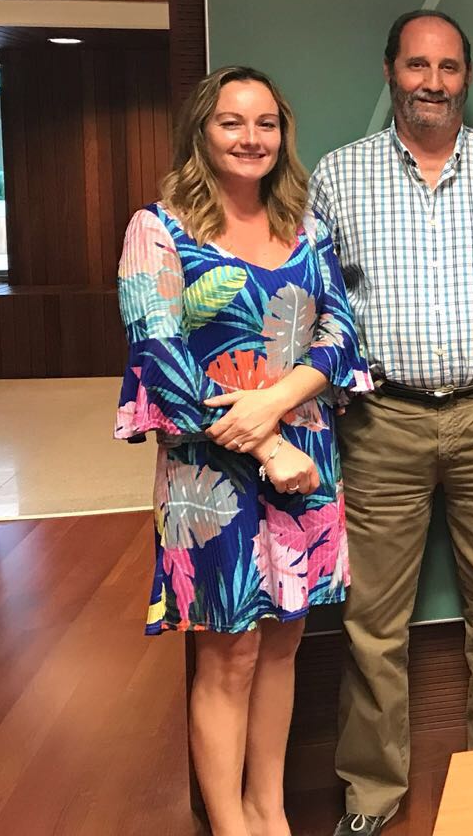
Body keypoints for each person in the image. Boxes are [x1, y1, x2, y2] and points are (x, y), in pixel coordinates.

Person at [310, 10, 473, 835]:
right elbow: (316, 304)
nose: (433, 82)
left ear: (467, 77)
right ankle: (371, 796)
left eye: (448, 67)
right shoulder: (338, 176)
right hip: (382, 421)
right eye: (418, 65)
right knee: (372, 622)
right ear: (390, 71)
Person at [115, 65, 368, 836]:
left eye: (266, 123)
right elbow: (161, 361)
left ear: (283, 135)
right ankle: (230, 826)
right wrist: (267, 444)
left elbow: (340, 336)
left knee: (283, 647)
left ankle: (270, 812)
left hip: (305, 461)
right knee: (229, 658)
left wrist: (274, 406)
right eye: (232, 121)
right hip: (210, 475)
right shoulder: (157, 230)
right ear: (202, 132)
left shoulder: (306, 226)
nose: (251, 137)